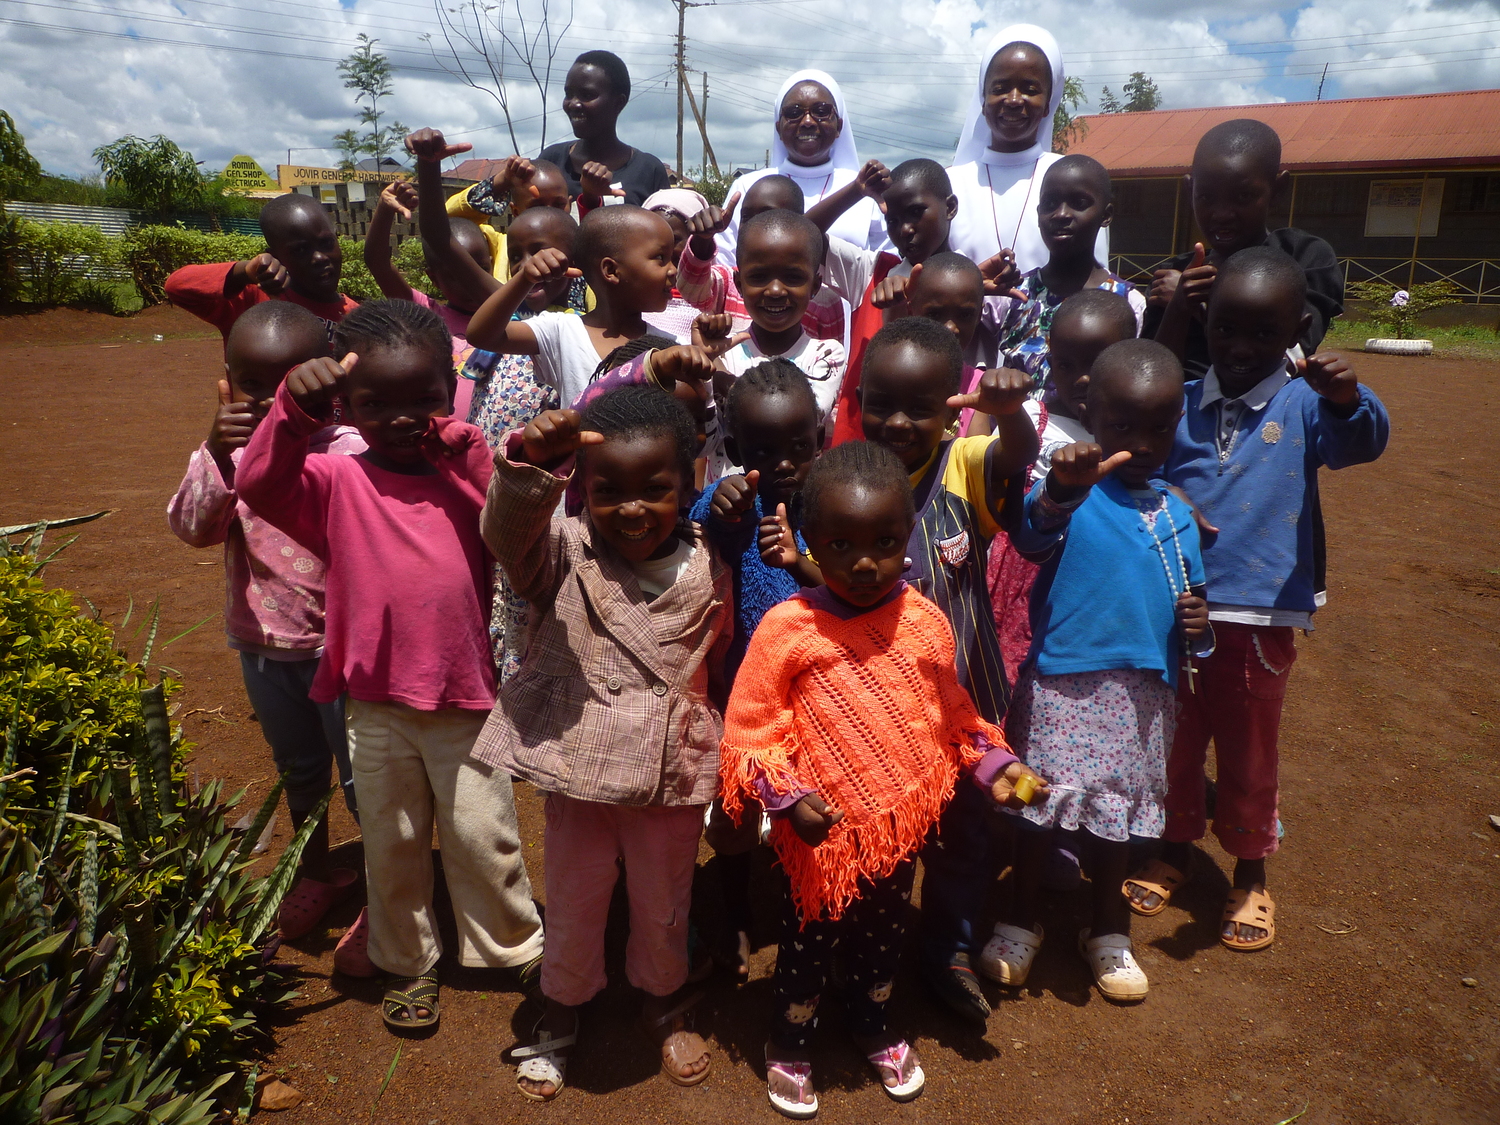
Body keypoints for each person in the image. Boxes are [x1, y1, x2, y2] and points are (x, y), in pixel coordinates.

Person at [235, 300, 545, 1034]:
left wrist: (466, 451)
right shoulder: (333, 481)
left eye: (424, 398)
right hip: (373, 702)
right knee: (392, 840)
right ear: (345, 405)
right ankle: (408, 959)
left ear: (451, 390)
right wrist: (290, 413)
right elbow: (258, 485)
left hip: (465, 696)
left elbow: (510, 519)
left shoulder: (463, 474)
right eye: (375, 403)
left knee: (484, 835)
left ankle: (513, 945)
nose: (403, 417)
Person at [719, 441, 1043, 1117]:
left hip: (897, 830)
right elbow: (753, 731)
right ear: (810, 541)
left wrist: (999, 765)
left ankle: (871, 1019)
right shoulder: (788, 629)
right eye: (841, 545)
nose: (864, 563)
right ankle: (790, 1038)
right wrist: (789, 800)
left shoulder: (922, 620)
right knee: (808, 942)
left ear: (907, 538)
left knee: (883, 932)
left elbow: (952, 713)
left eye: (885, 543)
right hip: (820, 838)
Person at [1126, 247, 1389, 951]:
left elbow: (1362, 443)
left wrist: (1347, 397)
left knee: (1249, 753)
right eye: (1226, 329)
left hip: (1259, 616)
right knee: (1175, 743)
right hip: (1174, 609)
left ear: (1297, 329)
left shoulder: (1308, 405)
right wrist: (1170, 491)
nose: (1241, 348)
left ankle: (1250, 871)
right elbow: (1143, 472)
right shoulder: (1181, 404)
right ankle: (1174, 849)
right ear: (1205, 322)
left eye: (1263, 333)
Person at [475, 385, 732, 1102]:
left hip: (667, 773)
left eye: (655, 489)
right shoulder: (562, 551)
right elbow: (505, 534)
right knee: (575, 894)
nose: (632, 509)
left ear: (690, 483)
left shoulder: (712, 560)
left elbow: (724, 656)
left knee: (665, 898)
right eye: (607, 491)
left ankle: (661, 996)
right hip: (579, 765)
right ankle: (563, 1000)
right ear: (581, 491)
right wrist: (532, 465)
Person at [984, 339, 1210, 1003]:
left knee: (1116, 823)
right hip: (1062, 683)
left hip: (1141, 696)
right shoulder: (1072, 492)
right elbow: (1032, 534)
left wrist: (1201, 627)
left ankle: (1108, 929)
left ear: (1177, 424)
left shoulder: (1177, 514)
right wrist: (1061, 488)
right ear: (1089, 414)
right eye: (1121, 425)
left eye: (1158, 428)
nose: (1140, 443)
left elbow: (1194, 611)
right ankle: (1019, 918)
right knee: (1036, 807)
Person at [855, 317, 1037, 1022]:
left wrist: (1009, 412)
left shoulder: (963, 464)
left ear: (951, 408)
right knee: (884, 833)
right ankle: (868, 951)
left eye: (921, 407)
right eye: (882, 403)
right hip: (877, 712)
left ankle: (949, 948)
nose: (899, 422)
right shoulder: (848, 477)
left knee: (964, 835)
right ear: (858, 399)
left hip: (964, 701)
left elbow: (1015, 454)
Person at [166, 302, 363, 940]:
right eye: (252, 383)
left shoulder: (350, 451)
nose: (273, 400)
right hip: (264, 647)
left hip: (344, 653)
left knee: (365, 781)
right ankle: (315, 871)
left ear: (329, 380)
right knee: (300, 771)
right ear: (227, 380)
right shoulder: (228, 454)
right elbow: (194, 529)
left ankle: (389, 893)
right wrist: (217, 451)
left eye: (291, 382)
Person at [691, 359, 824, 980]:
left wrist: (802, 563)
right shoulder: (735, 503)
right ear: (737, 448)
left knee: (810, 808)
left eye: (799, 446)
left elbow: (848, 582)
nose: (785, 463)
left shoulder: (830, 505)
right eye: (765, 450)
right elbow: (704, 524)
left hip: (813, 697)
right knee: (736, 811)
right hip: (740, 697)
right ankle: (737, 913)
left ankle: (807, 908)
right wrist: (726, 505)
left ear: (819, 437)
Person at [988, 288, 1137, 683]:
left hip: (1087, 587)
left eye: (1097, 363)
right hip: (1015, 580)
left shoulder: (1132, 435)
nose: (1082, 378)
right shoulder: (1029, 418)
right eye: (1067, 365)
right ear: (1050, 362)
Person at [945, 25, 1108, 362]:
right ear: (983, 100)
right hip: (961, 365)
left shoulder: (1074, 181)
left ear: (1048, 103)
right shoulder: (950, 184)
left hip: (1051, 368)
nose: (1014, 100)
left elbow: (1096, 283)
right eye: (1000, 88)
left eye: (1030, 89)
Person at [1144, 119, 1344, 379]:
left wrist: (1205, 301)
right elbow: (1149, 375)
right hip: (1183, 405)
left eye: (1243, 197)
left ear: (1278, 191)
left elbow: (1293, 357)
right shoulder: (1174, 274)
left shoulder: (1304, 257)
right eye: (1205, 197)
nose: (1222, 214)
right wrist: (1179, 307)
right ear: (1190, 190)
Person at [467, 203, 678, 410]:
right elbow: (482, 335)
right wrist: (524, 279)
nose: (673, 270)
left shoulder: (671, 348)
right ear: (611, 270)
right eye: (661, 258)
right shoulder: (562, 331)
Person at [812, 159, 963, 444]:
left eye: (916, 212)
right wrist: (856, 191)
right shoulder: (871, 272)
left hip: (932, 457)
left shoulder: (969, 285)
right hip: (857, 452)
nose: (904, 229)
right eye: (892, 220)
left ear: (950, 208)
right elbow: (803, 234)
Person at [704, 209, 846, 482]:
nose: (776, 291)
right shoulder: (723, 352)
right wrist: (704, 372)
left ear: (815, 285)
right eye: (759, 276)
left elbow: (800, 415)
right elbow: (706, 441)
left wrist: (719, 376)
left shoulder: (826, 354)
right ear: (739, 284)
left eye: (793, 277)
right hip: (725, 502)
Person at [993, 155, 1144, 399]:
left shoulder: (1129, 303)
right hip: (1011, 423)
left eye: (1079, 203)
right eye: (1050, 203)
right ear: (1039, 213)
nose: (1061, 214)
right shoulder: (1014, 294)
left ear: (1106, 215)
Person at [716, 69, 888, 266]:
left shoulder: (867, 191)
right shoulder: (748, 187)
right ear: (778, 127)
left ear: (839, 126)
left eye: (821, 111)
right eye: (794, 113)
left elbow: (887, 265)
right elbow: (724, 261)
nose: (807, 122)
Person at [362, 171, 497, 421]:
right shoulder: (426, 315)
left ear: (491, 263)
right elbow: (377, 262)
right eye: (455, 276)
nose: (469, 283)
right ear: (434, 278)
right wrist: (385, 209)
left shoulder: (509, 316)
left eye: (479, 269)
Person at [165, 192, 358, 343]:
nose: (319, 258)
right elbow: (176, 286)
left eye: (326, 243)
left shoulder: (357, 318)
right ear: (276, 257)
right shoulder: (253, 301)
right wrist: (243, 272)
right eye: (300, 250)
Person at [677, 175, 846, 341]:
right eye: (746, 217)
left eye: (767, 216)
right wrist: (702, 240)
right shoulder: (729, 282)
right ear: (739, 284)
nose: (775, 291)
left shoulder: (826, 302)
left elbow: (831, 355)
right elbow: (690, 289)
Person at [537, 50, 671, 209]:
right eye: (569, 94)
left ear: (619, 102)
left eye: (587, 95)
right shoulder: (552, 161)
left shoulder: (649, 170)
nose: (573, 104)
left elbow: (665, 222)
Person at [444, 155, 572, 280]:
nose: (550, 214)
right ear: (515, 211)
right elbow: (446, 224)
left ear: (569, 205)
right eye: (537, 207)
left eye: (559, 204)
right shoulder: (496, 246)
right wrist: (501, 182)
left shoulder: (578, 247)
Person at [642, 186, 711, 340]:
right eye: (652, 237)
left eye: (674, 239)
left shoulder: (714, 292)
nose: (662, 247)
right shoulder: (634, 293)